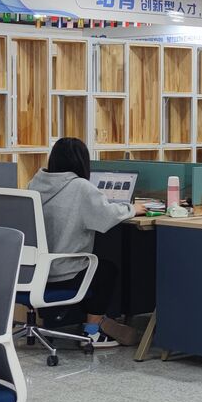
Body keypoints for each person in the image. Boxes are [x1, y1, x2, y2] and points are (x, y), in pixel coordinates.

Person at [27, 137, 145, 346]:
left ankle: (96, 323)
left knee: (98, 264)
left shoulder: (35, 183)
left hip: (34, 271)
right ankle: (92, 332)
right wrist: (132, 209)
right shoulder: (81, 187)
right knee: (106, 270)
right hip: (64, 272)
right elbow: (106, 216)